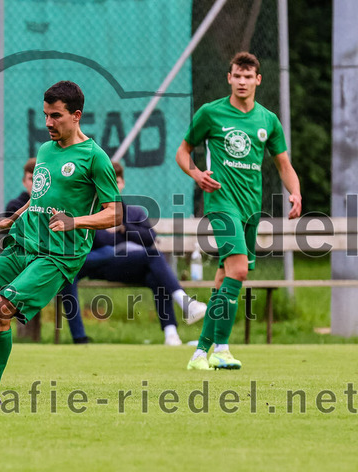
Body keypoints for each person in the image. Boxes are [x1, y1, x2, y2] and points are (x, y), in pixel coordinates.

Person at [0, 80, 122, 405]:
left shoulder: (95, 158)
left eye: (56, 116)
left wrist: (75, 222)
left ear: (76, 115)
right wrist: (14, 217)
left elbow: (115, 213)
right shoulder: (45, 150)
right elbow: (40, 195)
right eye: (46, 115)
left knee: (1, 311)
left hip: (57, 256)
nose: (48, 123)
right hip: (22, 245)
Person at [176, 52, 301, 370]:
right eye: (237, 76)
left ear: (258, 80)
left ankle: (200, 354)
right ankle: (222, 349)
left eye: (248, 76)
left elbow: (283, 165)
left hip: (250, 209)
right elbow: (183, 151)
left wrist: (296, 192)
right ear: (229, 78)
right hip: (221, 203)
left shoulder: (268, 120)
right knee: (240, 270)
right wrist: (196, 174)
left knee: (224, 279)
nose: (242, 81)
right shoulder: (211, 113)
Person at [60, 161, 208, 346]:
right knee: (150, 255)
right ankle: (185, 302)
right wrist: (110, 232)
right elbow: (100, 243)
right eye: (105, 181)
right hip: (100, 267)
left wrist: (123, 227)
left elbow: (149, 237)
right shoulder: (91, 212)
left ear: (122, 183)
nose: (111, 185)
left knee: (155, 275)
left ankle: (171, 334)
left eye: (115, 181)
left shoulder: (134, 212)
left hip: (128, 266)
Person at [5, 157, 90, 343]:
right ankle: (78, 336)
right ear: (24, 181)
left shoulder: (60, 202)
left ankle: (77, 337)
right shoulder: (16, 205)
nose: (36, 183)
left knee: (64, 270)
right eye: (31, 179)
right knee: (62, 273)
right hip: (30, 257)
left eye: (39, 178)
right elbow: (18, 236)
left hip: (64, 256)